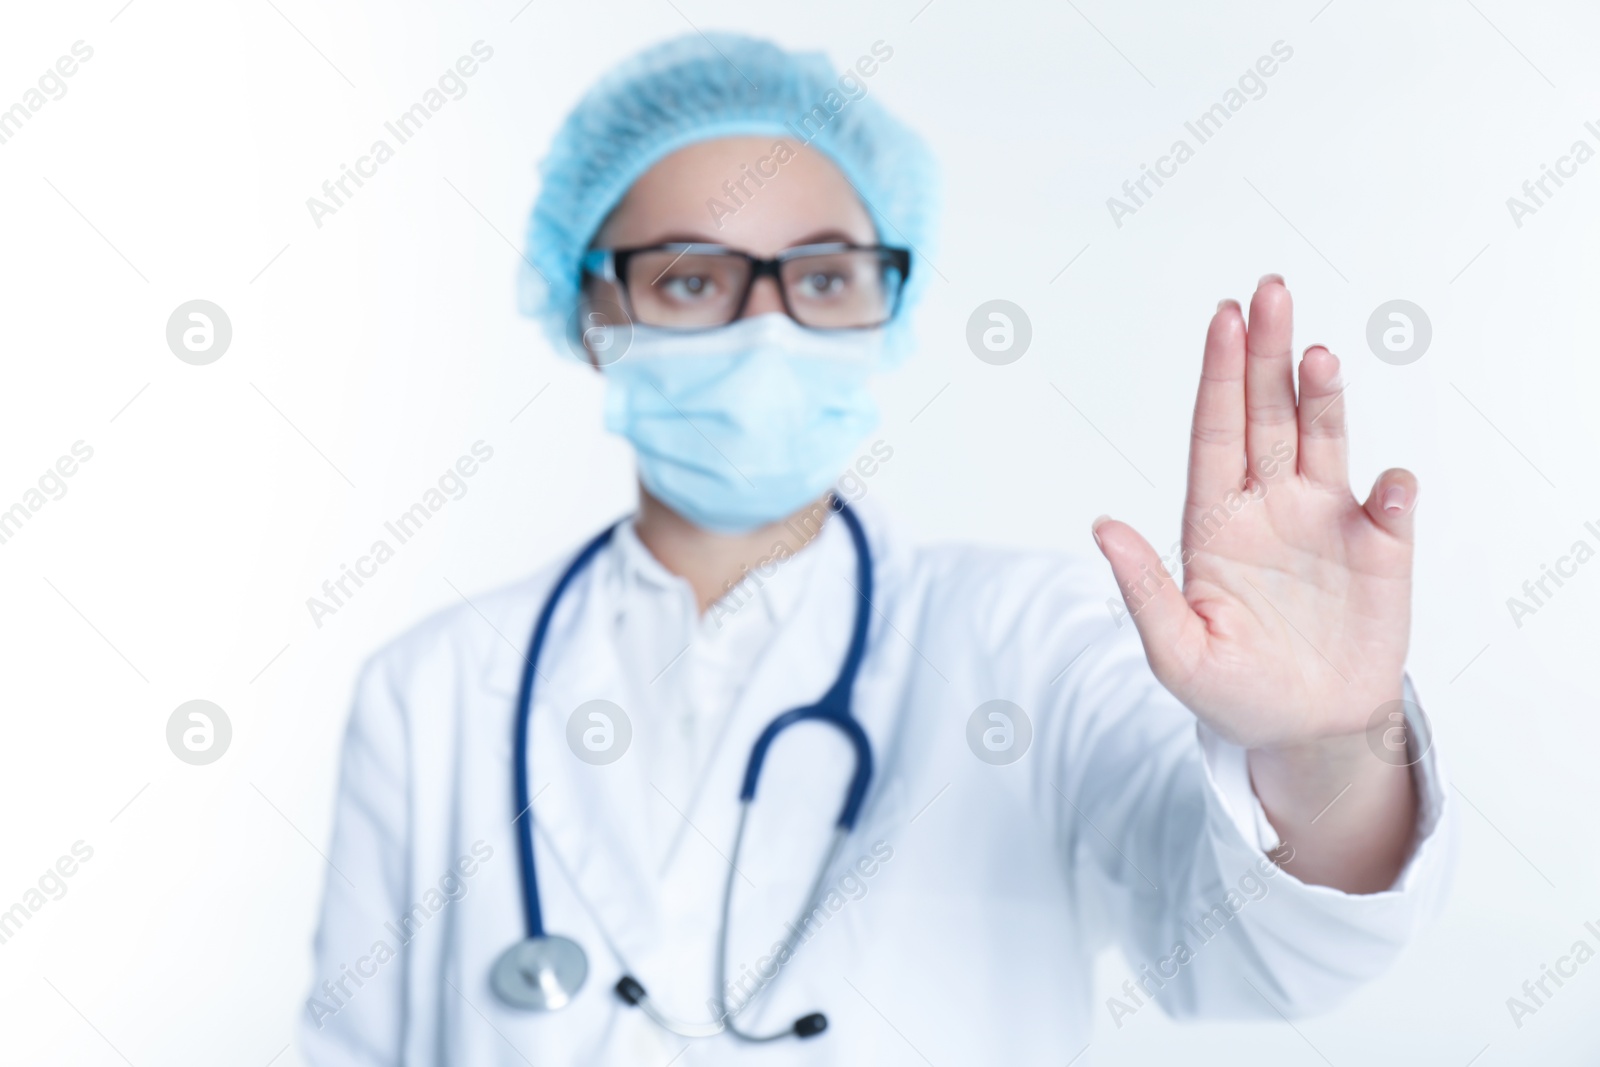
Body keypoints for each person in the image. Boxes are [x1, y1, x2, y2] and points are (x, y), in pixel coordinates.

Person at [300, 33, 1453, 1065]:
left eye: (820, 277)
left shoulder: (1028, 640)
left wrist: (1317, 745)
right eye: (692, 279)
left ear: (883, 303)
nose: (765, 326)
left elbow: (1269, 951)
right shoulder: (433, 689)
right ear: (594, 311)